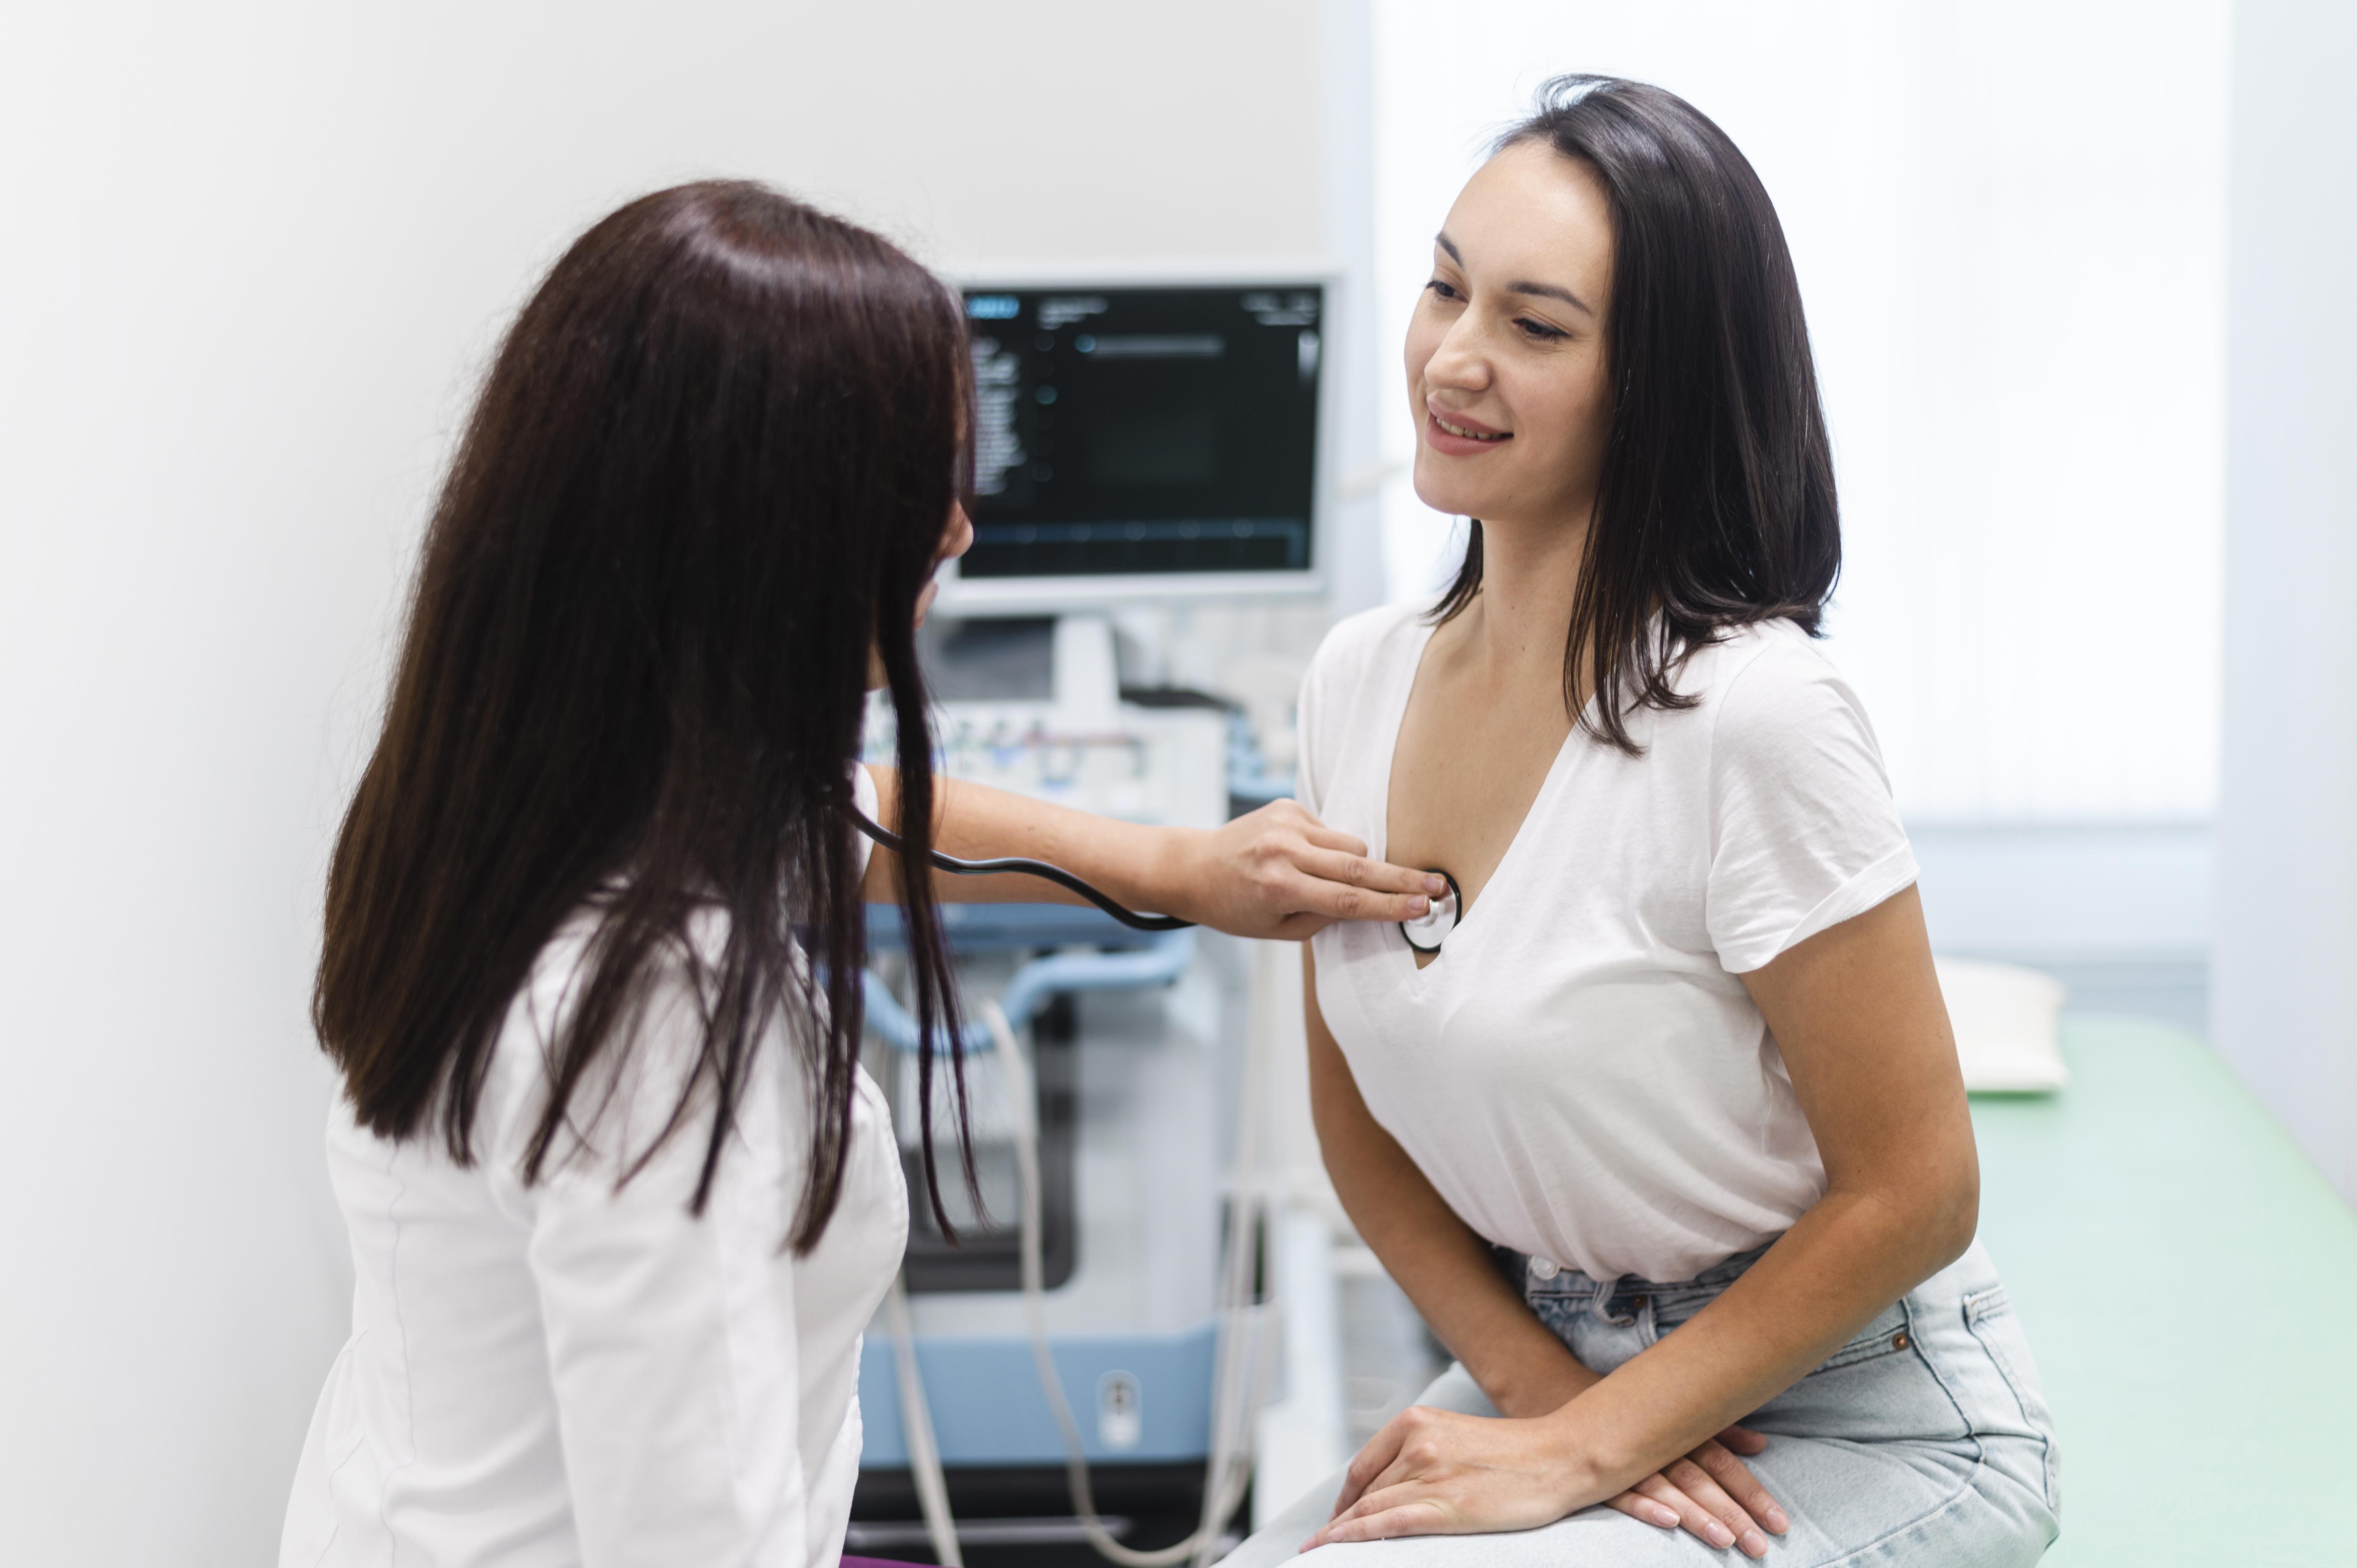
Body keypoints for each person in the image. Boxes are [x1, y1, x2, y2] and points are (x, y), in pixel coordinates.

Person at [276, 181, 1438, 1568]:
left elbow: (849, 810)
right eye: (921, 489)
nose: (958, 532)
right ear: (768, 536)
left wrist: (1176, 863)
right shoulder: (651, 1010)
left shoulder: (514, 788)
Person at [1223, 77, 2060, 1567]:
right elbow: (1357, 1128)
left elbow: (1918, 1186)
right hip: (1565, 1367)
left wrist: (1595, 1444)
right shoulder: (1356, 679)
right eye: (1443, 288)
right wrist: (1552, 1413)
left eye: (1535, 328)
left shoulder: (1755, 714)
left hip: (1855, 1411)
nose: (1454, 359)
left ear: (1658, 385)